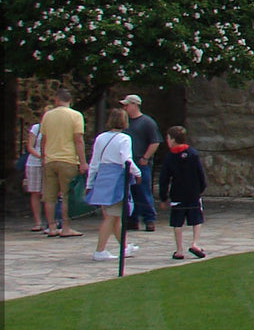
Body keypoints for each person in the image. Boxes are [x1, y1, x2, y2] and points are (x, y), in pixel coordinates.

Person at [84, 108, 141, 262]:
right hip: (116, 180)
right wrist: (138, 173)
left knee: (115, 217)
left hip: (102, 178)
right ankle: (99, 250)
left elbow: (94, 162)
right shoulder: (124, 139)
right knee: (111, 217)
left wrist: (89, 183)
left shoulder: (101, 138)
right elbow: (126, 160)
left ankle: (124, 246)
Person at [38, 88, 87, 238]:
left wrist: (43, 157)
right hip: (68, 159)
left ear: (56, 100)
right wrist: (83, 161)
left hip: (50, 159)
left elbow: (43, 140)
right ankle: (66, 227)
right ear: (69, 100)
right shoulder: (75, 116)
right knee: (66, 195)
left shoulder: (47, 116)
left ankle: (51, 227)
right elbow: (78, 139)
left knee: (49, 196)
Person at [158, 125, 209, 259]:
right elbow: (200, 174)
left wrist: (163, 197)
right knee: (196, 220)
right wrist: (201, 189)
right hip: (193, 192)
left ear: (173, 140)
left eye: (168, 138)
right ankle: (195, 243)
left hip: (177, 193)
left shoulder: (169, 157)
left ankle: (179, 249)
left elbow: (164, 178)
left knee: (177, 222)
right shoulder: (193, 153)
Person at [120, 94, 162, 233]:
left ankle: (149, 218)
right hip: (128, 162)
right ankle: (132, 218)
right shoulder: (125, 122)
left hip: (140, 162)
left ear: (134, 105)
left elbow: (154, 141)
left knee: (143, 191)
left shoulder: (147, 122)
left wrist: (145, 158)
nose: (125, 108)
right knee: (130, 192)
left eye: (127, 105)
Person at [24, 113, 46, 231]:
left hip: (49, 163)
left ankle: (50, 221)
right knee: (35, 192)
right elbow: (30, 147)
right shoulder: (36, 128)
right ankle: (38, 222)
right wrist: (41, 157)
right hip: (35, 162)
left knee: (48, 192)